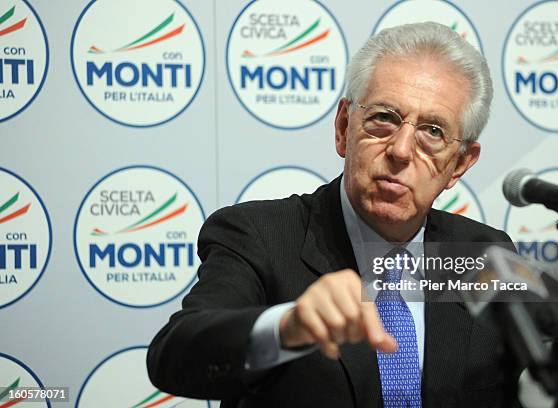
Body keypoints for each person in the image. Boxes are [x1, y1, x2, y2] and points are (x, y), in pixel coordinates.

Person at [147, 22, 520, 407]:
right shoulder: (259, 236)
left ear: (460, 163)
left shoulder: (485, 253)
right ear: (344, 127)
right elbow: (175, 355)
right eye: (384, 118)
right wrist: (287, 327)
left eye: (433, 131)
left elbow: (553, 367)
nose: (401, 150)